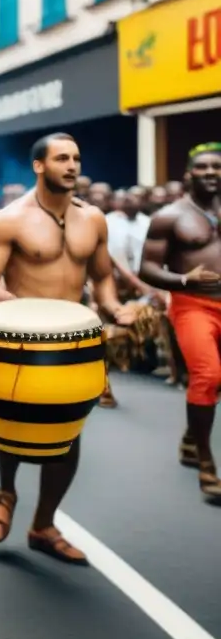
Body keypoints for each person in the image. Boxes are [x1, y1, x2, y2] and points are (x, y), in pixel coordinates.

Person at [0, 133, 136, 564]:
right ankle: (6, 491)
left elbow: (102, 276)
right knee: (12, 427)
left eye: (77, 158)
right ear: (39, 166)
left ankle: (43, 524)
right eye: (61, 158)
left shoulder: (94, 219)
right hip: (19, 341)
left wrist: (114, 306)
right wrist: (14, 310)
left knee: (68, 435)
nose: (72, 165)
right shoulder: (10, 219)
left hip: (75, 341)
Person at [138, 142, 221, 499]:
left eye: (216, 167)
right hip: (193, 305)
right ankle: (206, 461)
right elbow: (148, 268)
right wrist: (185, 280)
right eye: (202, 168)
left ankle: (191, 436)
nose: (210, 173)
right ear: (189, 174)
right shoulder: (169, 216)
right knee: (208, 375)